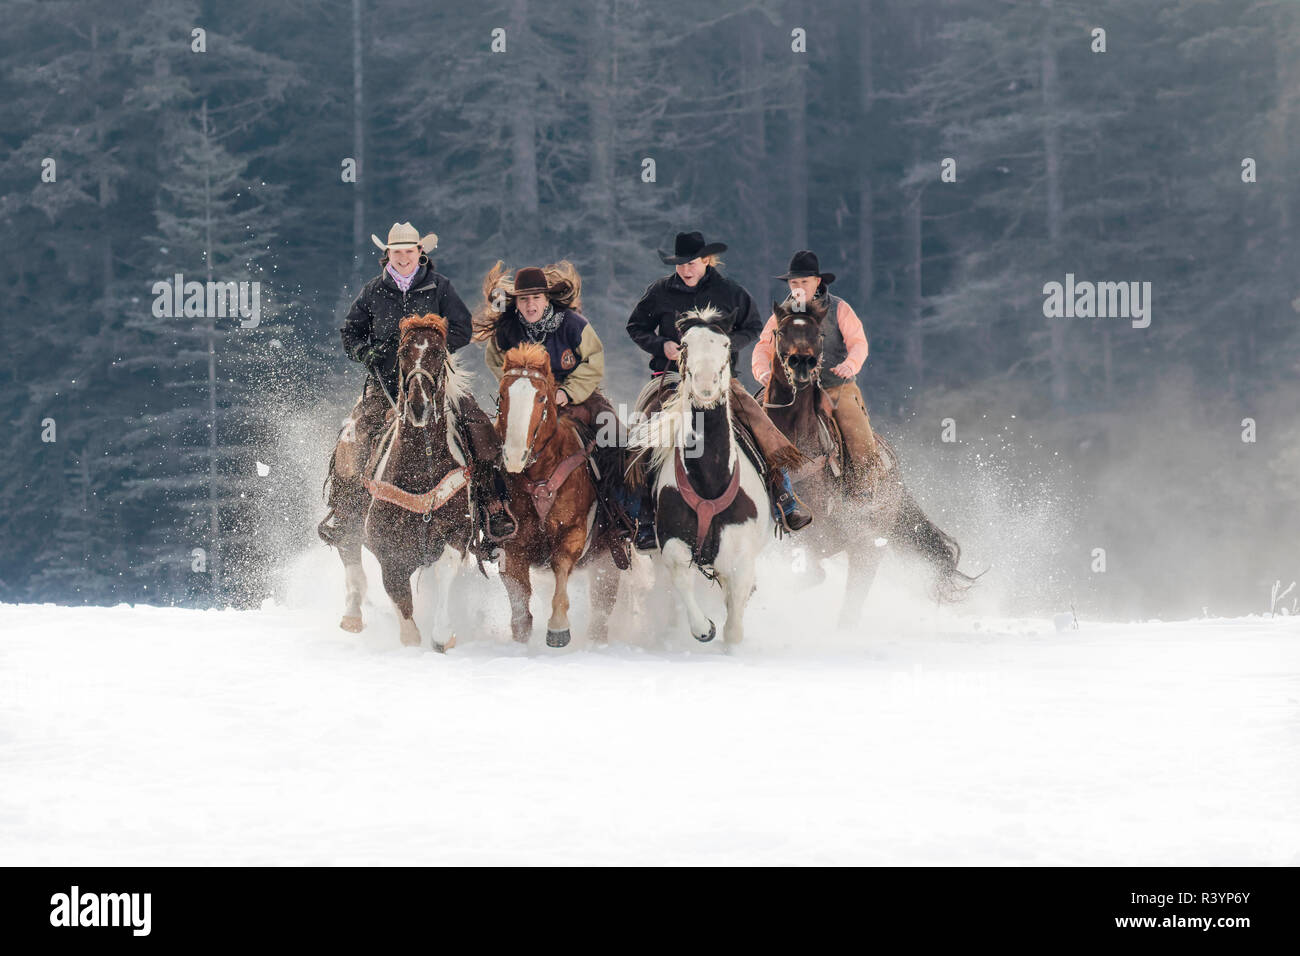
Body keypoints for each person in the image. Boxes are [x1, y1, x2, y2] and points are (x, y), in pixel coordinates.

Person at [318, 221, 515, 547]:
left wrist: (435, 350)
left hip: (438, 381)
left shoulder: (439, 287)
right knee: (355, 431)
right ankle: (345, 510)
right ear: (388, 254)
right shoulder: (373, 291)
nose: (403, 257)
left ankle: (492, 504)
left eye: (409, 251)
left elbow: (463, 328)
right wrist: (367, 353)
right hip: (385, 383)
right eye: (397, 252)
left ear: (420, 252)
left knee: (476, 422)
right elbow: (349, 333)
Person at [626, 231, 812, 550]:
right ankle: (640, 516)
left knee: (757, 422)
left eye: (692, 263)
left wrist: (724, 349)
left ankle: (785, 498)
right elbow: (636, 326)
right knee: (640, 434)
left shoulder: (729, 292)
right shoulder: (659, 292)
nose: (686, 269)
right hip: (671, 378)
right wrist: (662, 344)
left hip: (720, 379)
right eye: (681, 264)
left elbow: (752, 326)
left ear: (706, 261)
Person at [475, 262, 633, 565]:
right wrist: (518, 388)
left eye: (536, 298)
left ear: (547, 299)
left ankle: (620, 521)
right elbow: (495, 359)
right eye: (523, 299)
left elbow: (593, 361)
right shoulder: (508, 328)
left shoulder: (573, 324)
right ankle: (492, 520)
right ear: (517, 302)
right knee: (487, 446)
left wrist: (566, 391)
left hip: (574, 396)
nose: (530, 304)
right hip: (527, 402)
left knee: (615, 434)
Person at [752, 250, 879, 483]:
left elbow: (859, 343)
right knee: (751, 422)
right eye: (794, 282)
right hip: (788, 391)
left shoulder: (839, 308)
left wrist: (850, 365)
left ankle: (865, 483)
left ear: (817, 281)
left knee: (854, 429)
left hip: (835, 387)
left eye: (804, 281)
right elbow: (763, 347)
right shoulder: (781, 314)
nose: (798, 287)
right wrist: (762, 371)